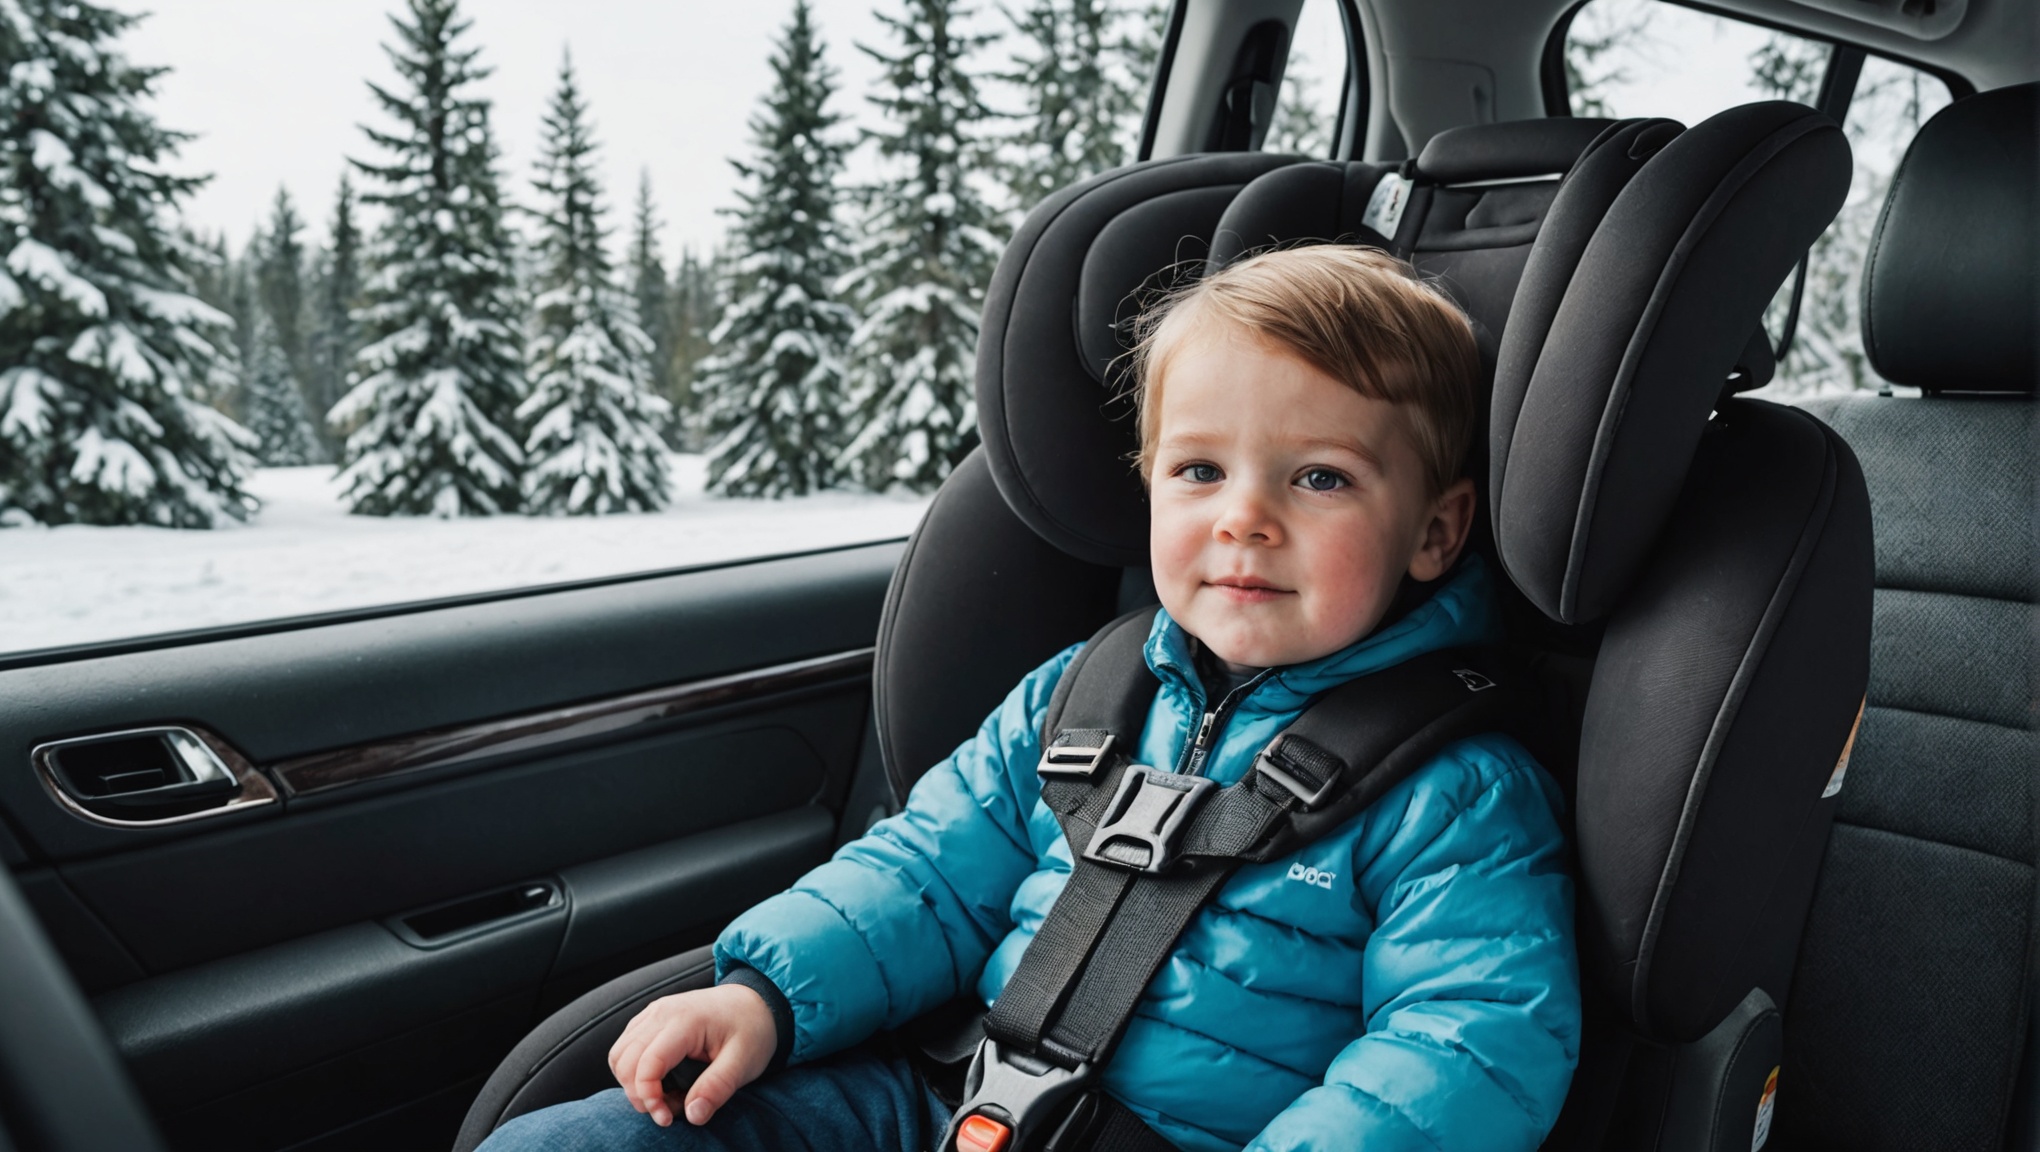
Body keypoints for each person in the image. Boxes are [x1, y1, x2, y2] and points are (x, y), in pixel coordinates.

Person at [478, 245, 1581, 1152]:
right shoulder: (1086, 692)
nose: (1244, 518)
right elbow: (925, 874)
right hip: (938, 1108)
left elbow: (1466, 1042)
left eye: (1320, 477)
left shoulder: (1456, 788)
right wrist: (765, 995)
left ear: (1435, 529)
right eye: (1200, 471)